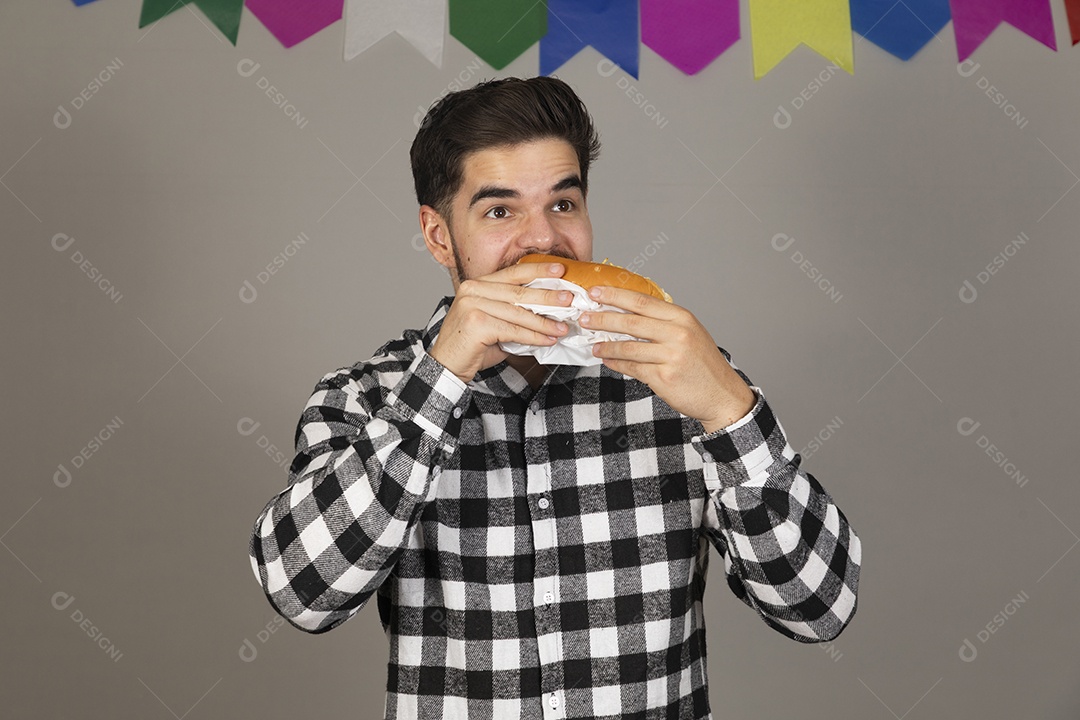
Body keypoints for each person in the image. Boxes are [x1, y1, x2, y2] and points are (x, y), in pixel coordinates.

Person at [248, 76, 860, 719]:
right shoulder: (366, 396)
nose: (542, 241)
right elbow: (301, 595)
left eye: (563, 204)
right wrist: (443, 374)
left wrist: (730, 411)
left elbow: (819, 609)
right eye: (499, 210)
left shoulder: (680, 380)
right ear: (437, 236)